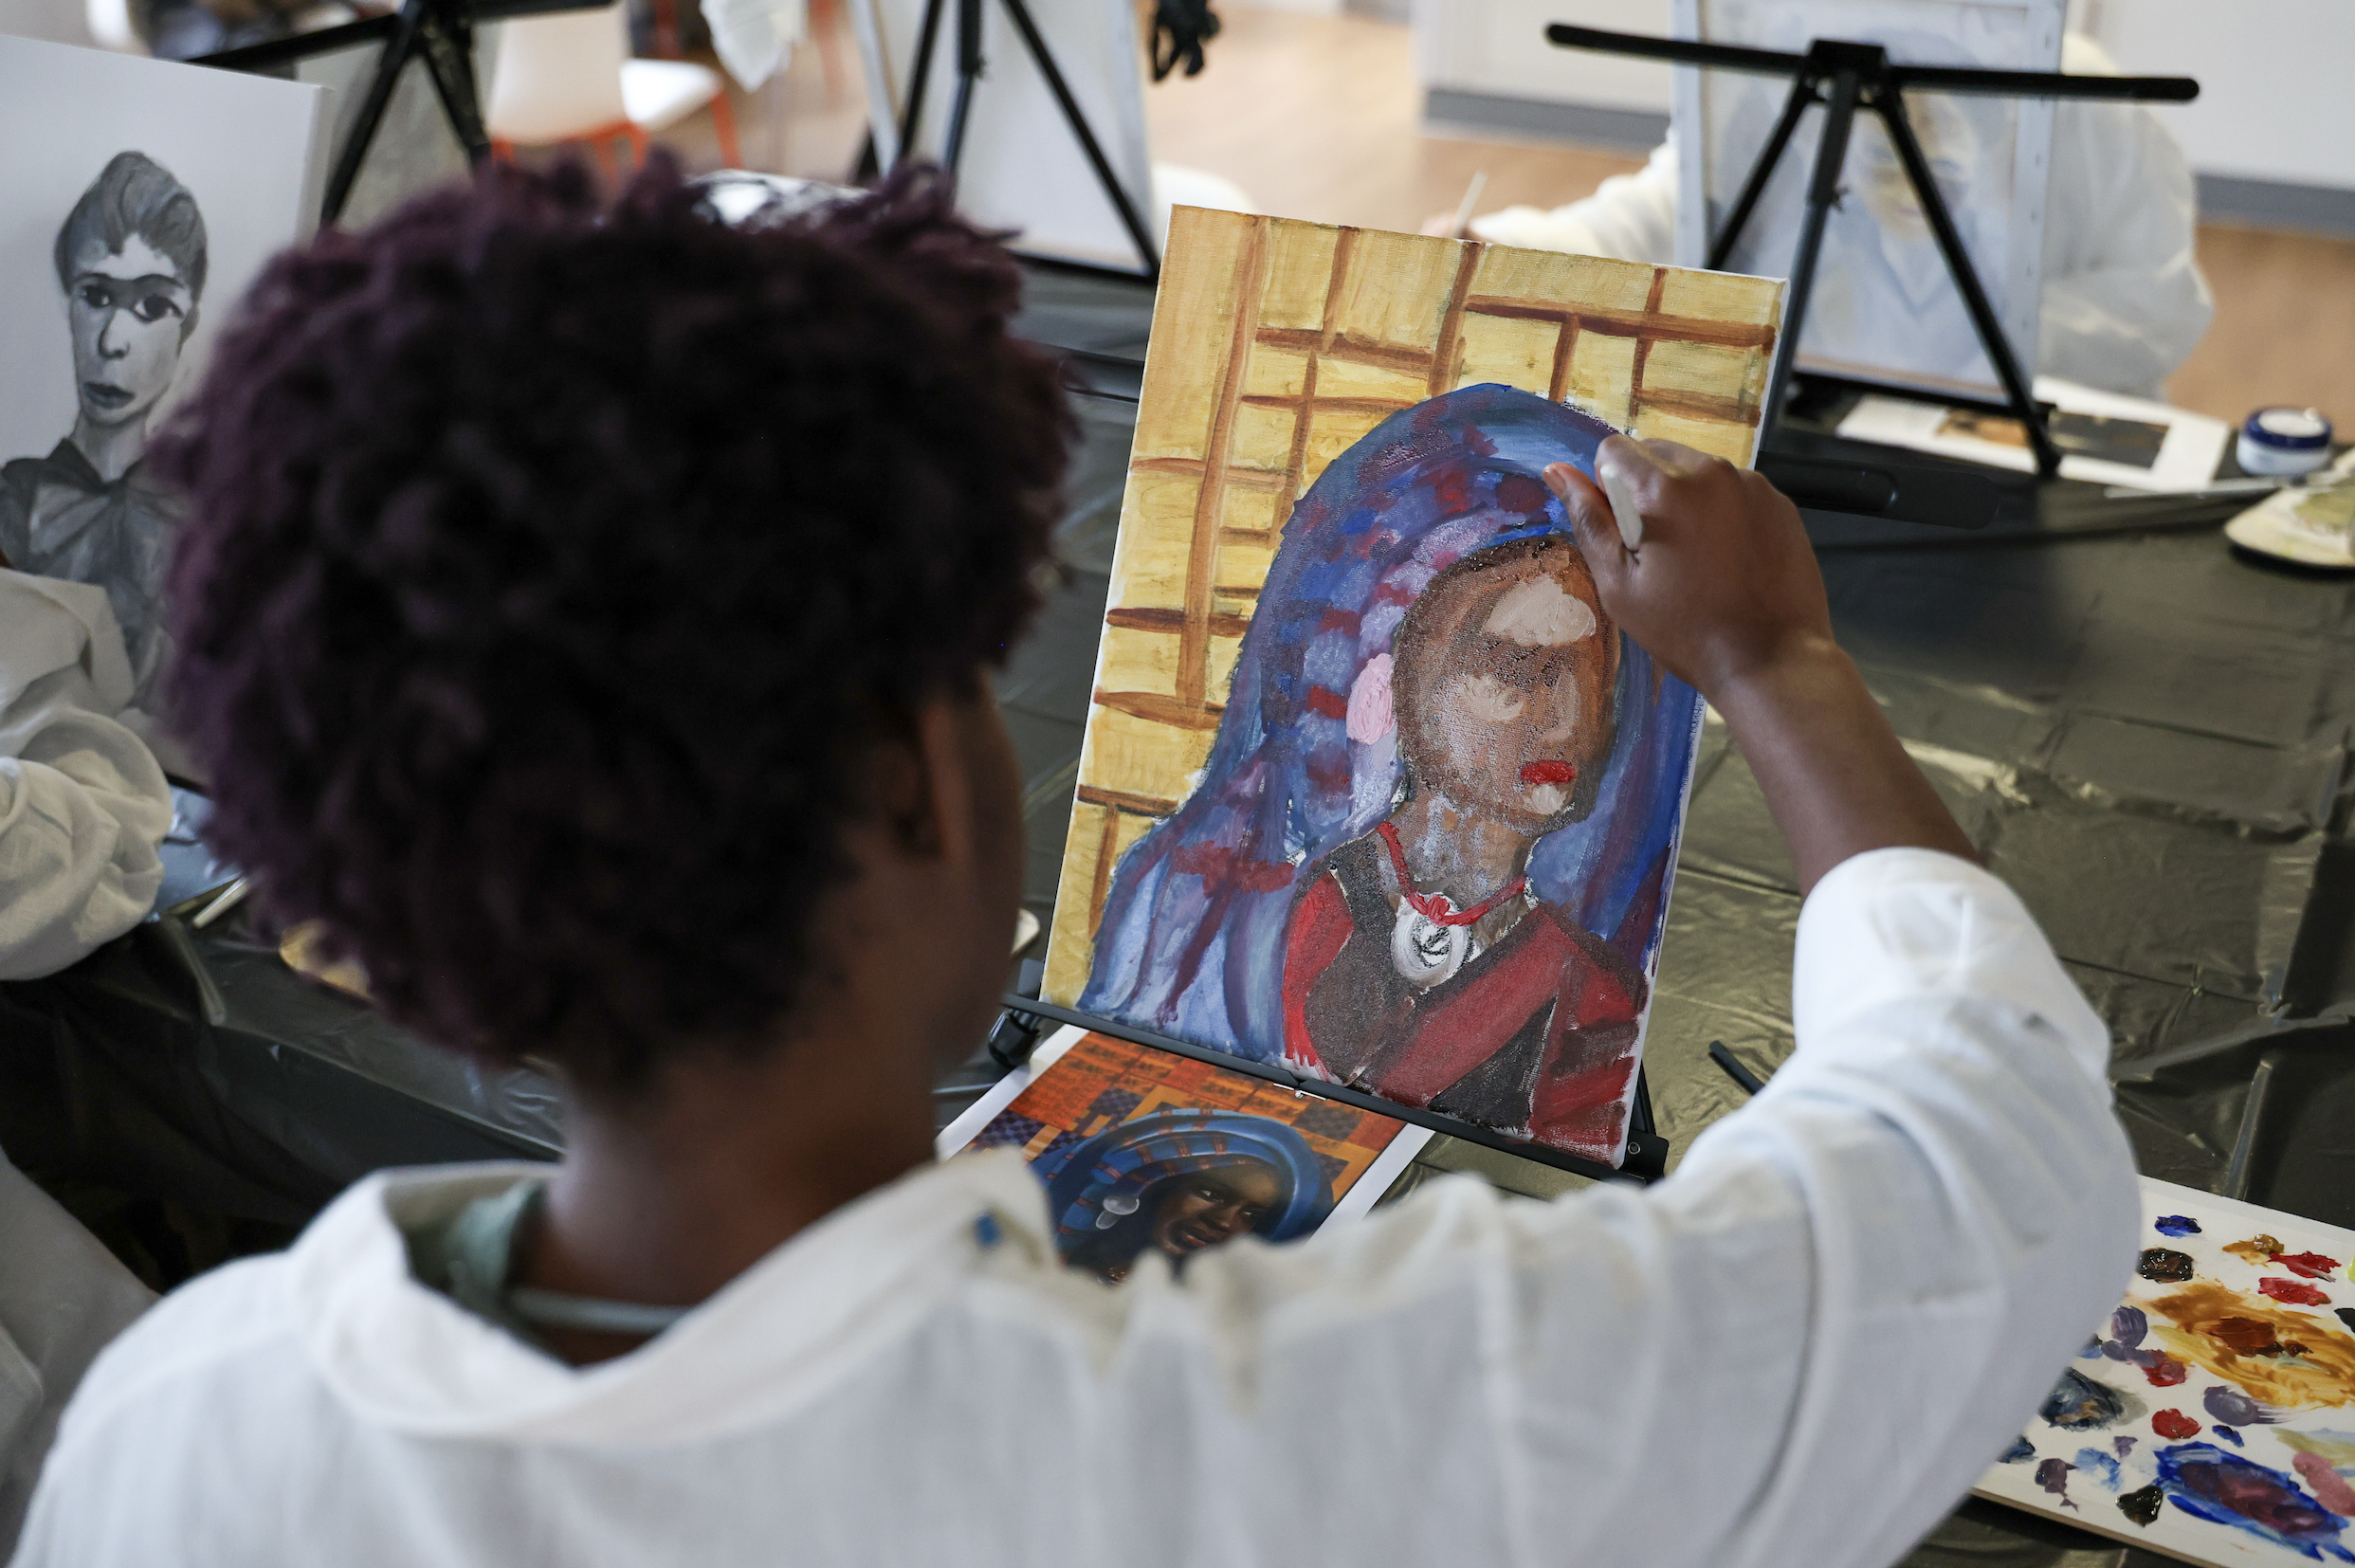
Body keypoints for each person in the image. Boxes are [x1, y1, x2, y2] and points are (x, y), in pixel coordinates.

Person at [14, 160, 2138, 1568]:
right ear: (919, 788)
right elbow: (1986, 1162)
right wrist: (1772, 661)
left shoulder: (185, 1427)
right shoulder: (1302, 1440)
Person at [1082, 388, 1693, 1162]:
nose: (1563, 720)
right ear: (1395, 688)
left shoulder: (1596, 998)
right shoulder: (1228, 911)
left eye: (1590, 678)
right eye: (1514, 668)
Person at [1458, 34, 2214, 398]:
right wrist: (1513, 251)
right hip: (1802, 445)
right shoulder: (1780, 74)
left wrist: (1952, 346)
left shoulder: (2084, 102)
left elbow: (2158, 304)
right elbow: (1665, 212)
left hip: (2009, 452)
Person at [0, 150, 209, 722]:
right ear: (68, 307)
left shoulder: (204, 522)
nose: (112, 341)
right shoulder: (12, 498)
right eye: (95, 296)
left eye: (152, 305)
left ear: (188, 327)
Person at [1044, 1109, 1331, 1283]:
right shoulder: (1038, 1254)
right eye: (1212, 1192)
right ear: (1157, 1186)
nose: (1223, 1221)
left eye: (1252, 1215)